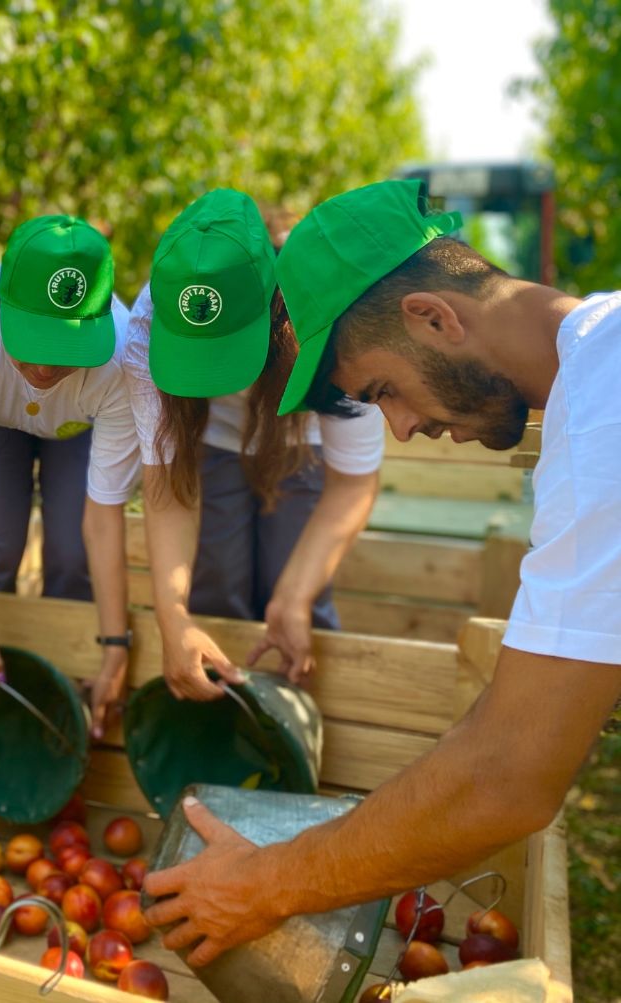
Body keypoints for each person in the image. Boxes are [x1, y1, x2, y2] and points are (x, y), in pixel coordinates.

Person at [142, 178, 621, 965]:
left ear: (433, 316)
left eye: (383, 390)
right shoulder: (598, 366)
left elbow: (507, 774)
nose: (400, 425)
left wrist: (260, 885)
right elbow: (506, 728)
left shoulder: (605, 420)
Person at [123, 189, 382, 700]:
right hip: (214, 437)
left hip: (299, 430)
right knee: (216, 583)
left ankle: (300, 713)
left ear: (275, 311)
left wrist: (295, 594)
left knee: (292, 589)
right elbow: (167, 486)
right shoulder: (146, 326)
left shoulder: (337, 312)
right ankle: (222, 710)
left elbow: (353, 483)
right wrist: (171, 618)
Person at [0, 214, 138, 736]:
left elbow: (104, 516)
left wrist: (116, 645)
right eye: (32, 342)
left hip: (77, 428)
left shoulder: (124, 356)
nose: (44, 369)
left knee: (71, 553)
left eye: (62, 349)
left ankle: (62, 680)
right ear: (2, 309)